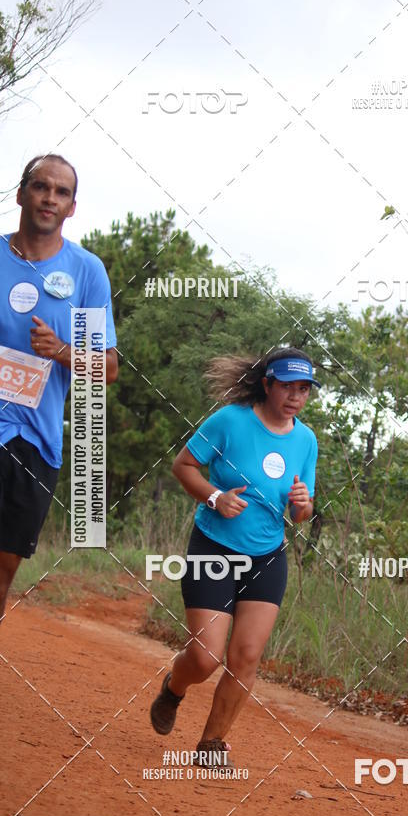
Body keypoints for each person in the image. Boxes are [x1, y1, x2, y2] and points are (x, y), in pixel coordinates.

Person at [150, 348, 319, 762]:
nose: (295, 396)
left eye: (304, 389)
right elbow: (183, 466)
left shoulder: (306, 439)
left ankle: (211, 744)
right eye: (287, 387)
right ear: (267, 385)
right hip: (214, 549)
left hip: (266, 555)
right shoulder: (230, 421)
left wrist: (302, 503)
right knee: (206, 657)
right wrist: (215, 497)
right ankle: (174, 686)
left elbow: (302, 513)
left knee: (245, 656)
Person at [0, 154, 119, 620]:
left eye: (61, 191)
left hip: (34, 440)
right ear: (21, 194)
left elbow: (107, 368)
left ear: (71, 207)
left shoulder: (86, 273)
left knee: (5, 565)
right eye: (40, 186)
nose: (49, 197)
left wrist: (61, 352)